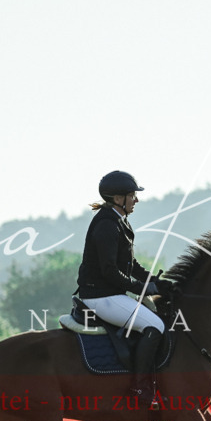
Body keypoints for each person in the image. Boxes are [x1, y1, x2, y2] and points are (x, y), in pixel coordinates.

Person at [76, 171, 169, 407]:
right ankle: (140, 388)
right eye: (131, 195)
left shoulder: (118, 220)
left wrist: (154, 283)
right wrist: (142, 289)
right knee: (155, 326)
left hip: (109, 293)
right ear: (118, 199)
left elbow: (130, 265)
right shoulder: (107, 224)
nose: (135, 200)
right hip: (100, 296)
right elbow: (109, 271)